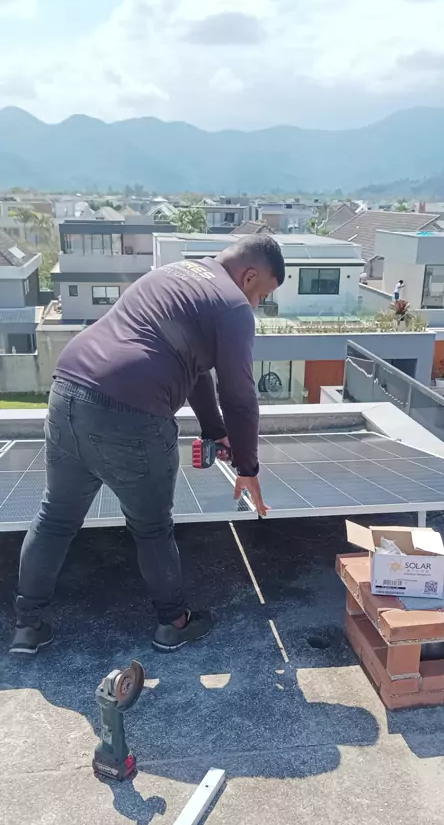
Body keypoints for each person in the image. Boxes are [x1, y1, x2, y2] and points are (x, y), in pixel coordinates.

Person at [10, 235, 285, 656]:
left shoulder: (173, 274)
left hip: (67, 393)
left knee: (55, 517)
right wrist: (248, 467)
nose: (256, 304)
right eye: (261, 295)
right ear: (250, 276)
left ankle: (26, 628)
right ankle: (173, 623)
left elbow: (196, 370)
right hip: (132, 415)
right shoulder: (232, 305)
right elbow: (240, 396)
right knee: (152, 528)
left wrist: (214, 431)